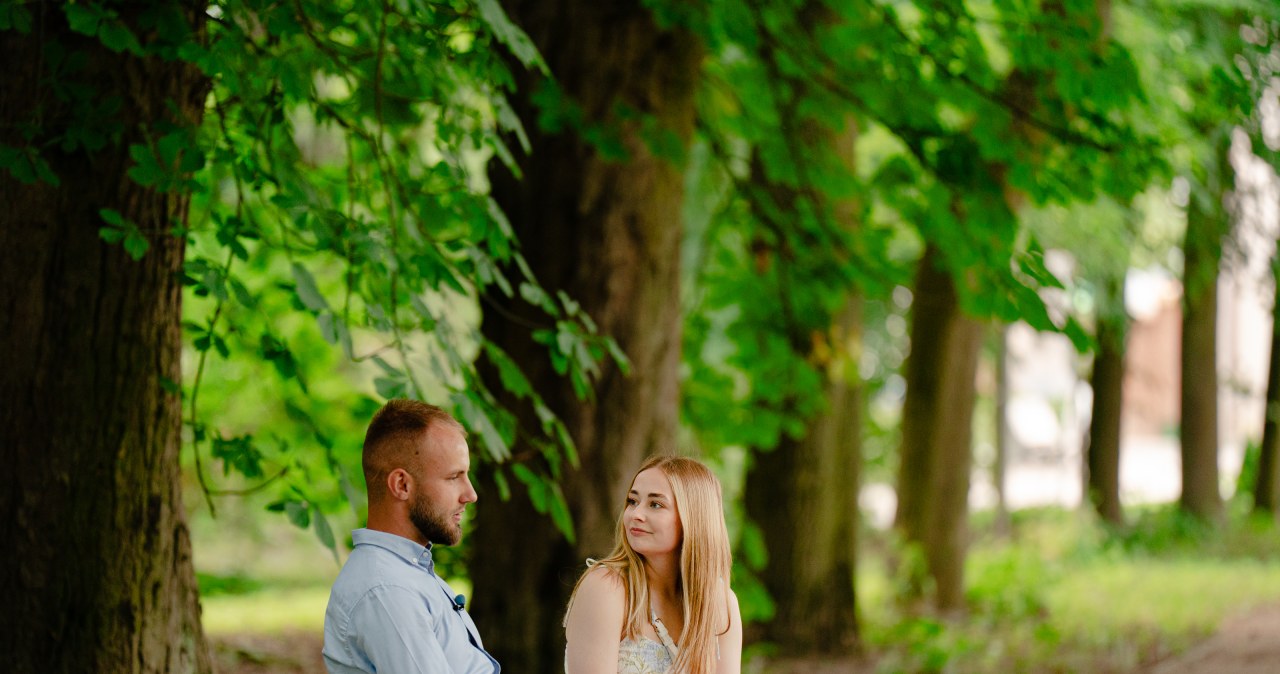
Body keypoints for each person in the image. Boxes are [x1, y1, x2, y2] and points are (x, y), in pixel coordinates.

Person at [323, 399, 500, 674]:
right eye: (454, 477)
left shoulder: (405, 573)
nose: (471, 494)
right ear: (401, 485)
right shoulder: (388, 590)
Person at [563, 455, 743, 674]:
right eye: (632, 501)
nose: (636, 514)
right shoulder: (607, 588)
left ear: (693, 518)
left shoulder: (720, 603)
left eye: (655, 504)